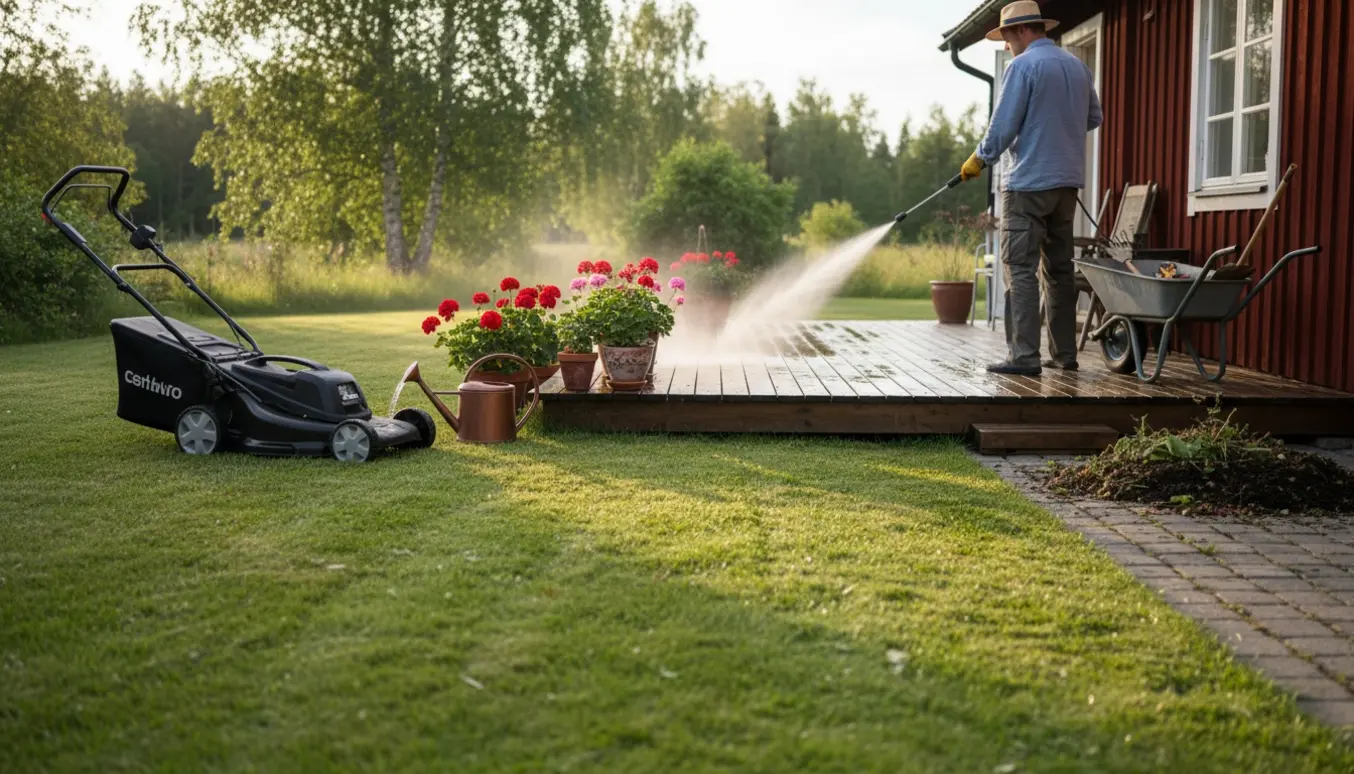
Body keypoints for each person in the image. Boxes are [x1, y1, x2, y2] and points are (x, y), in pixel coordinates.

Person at [960, 0, 1102, 376]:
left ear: (1023, 31)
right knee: (1059, 270)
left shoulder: (1022, 66)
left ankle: (1024, 357)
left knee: (1019, 267)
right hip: (1067, 186)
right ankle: (1064, 354)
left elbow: (1003, 127)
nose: (1007, 47)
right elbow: (1094, 117)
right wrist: (1058, 129)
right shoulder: (1078, 66)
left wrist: (979, 159)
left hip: (1027, 186)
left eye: (1007, 39)